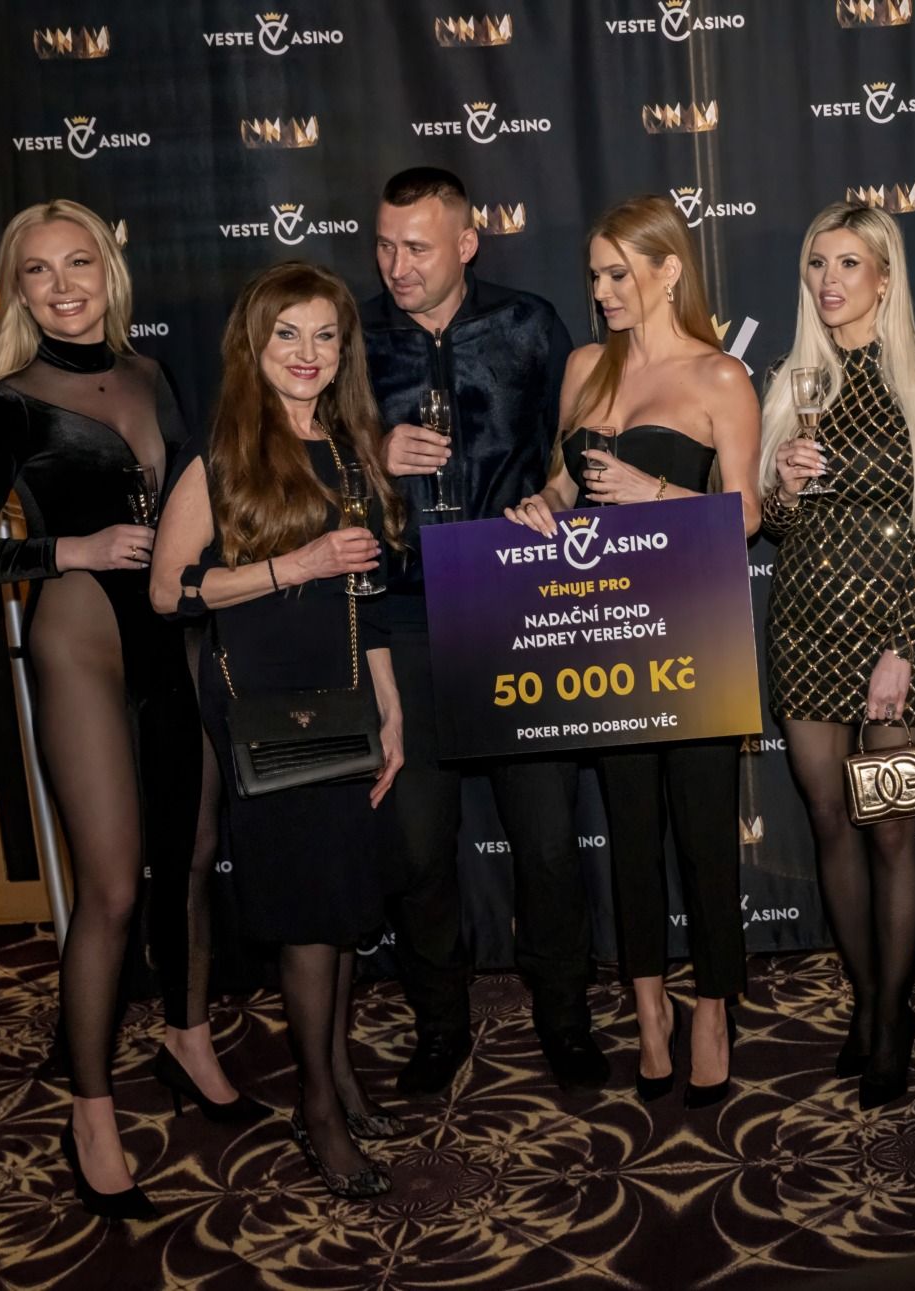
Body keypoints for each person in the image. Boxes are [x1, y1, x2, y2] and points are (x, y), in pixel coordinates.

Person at [0, 199, 262, 1220]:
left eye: (79, 263)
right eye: (40, 271)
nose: (63, 285)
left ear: (108, 273)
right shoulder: (9, 404)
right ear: (19, 292)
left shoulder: (153, 374)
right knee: (113, 887)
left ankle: (187, 1037)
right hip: (82, 643)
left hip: (175, 633)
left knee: (193, 854)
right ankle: (89, 1110)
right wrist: (68, 549)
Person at [151, 261, 408, 1199]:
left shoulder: (354, 444)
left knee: (339, 908)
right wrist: (295, 564)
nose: (308, 353)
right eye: (287, 335)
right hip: (265, 705)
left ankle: (338, 1073)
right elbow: (170, 590)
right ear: (253, 347)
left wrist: (390, 705)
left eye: (325, 335)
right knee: (306, 914)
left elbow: (368, 595)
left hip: (347, 699)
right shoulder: (219, 455)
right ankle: (318, 1107)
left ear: (344, 349)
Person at [505, 195, 762, 1106]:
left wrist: (653, 490)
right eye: (596, 275)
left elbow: (747, 513)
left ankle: (712, 1008)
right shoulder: (585, 366)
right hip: (606, 627)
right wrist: (543, 504)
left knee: (705, 832)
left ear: (669, 269)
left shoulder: (720, 377)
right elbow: (562, 479)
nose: (604, 290)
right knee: (630, 832)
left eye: (620, 274)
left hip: (693, 626)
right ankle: (649, 1007)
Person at [362, 167, 595, 1095]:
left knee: (547, 840)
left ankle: (566, 1019)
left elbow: (579, 447)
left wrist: (555, 496)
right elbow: (307, 463)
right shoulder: (352, 338)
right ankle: (439, 1025)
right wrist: (372, 456)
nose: (398, 266)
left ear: (466, 243)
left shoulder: (530, 324)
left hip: (512, 604)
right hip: (405, 614)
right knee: (419, 847)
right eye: (386, 246)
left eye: (418, 247)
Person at [759, 201, 915, 1110]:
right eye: (817, 264)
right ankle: (869, 1002)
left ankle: (890, 1014)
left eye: (848, 264)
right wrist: (781, 484)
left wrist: (903, 648)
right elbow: (778, 525)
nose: (829, 281)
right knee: (830, 823)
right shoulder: (795, 380)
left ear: (885, 274)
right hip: (806, 629)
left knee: (891, 827)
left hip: (897, 637)